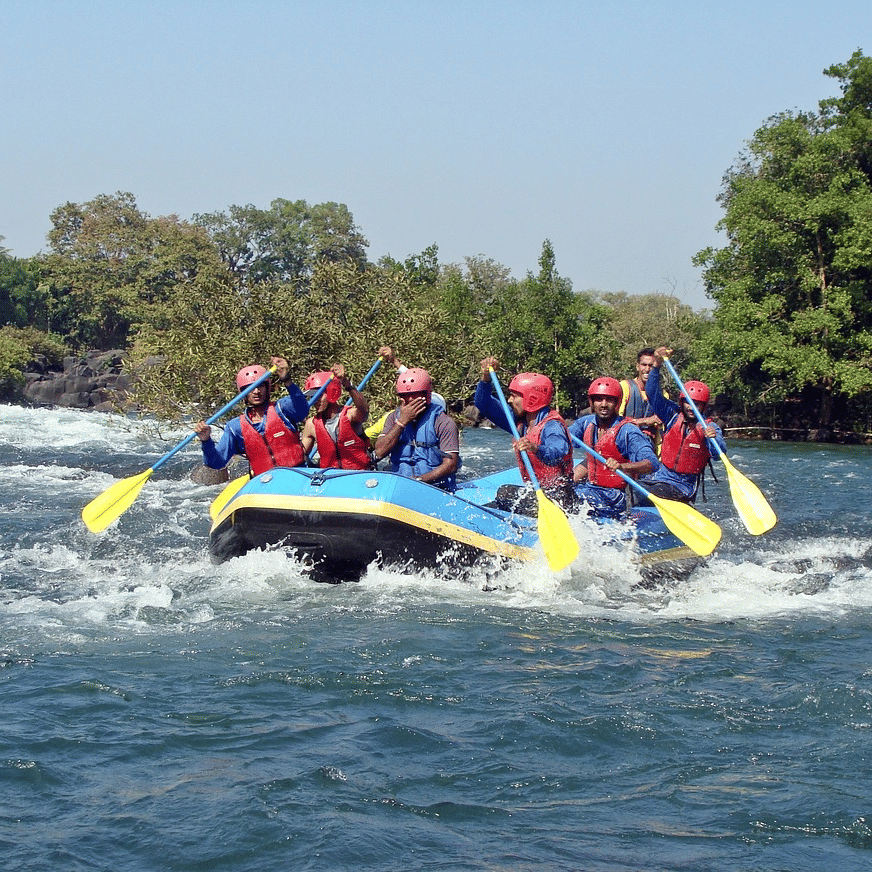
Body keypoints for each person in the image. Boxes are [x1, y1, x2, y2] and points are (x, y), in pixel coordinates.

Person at [474, 357, 575, 511]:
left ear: (531, 398)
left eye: (514, 396)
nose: (509, 400)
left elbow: (558, 452)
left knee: (505, 492)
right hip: (537, 493)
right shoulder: (520, 422)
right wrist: (486, 378)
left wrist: (535, 448)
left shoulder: (552, 426)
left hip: (559, 497)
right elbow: (484, 403)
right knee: (502, 496)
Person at [637, 346, 727, 502]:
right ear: (682, 402)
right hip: (661, 477)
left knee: (647, 492)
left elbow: (719, 455)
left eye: (697, 404)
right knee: (633, 487)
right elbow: (652, 393)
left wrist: (714, 439)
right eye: (688, 403)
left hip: (683, 486)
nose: (691, 408)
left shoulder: (709, 427)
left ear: (704, 406)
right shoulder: (671, 414)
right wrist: (657, 366)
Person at [195, 356, 309, 474]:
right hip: (265, 483)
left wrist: (287, 380)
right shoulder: (235, 427)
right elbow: (216, 463)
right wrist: (206, 440)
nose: (256, 391)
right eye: (250, 388)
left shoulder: (283, 408)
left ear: (267, 388)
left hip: (298, 475)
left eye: (260, 386)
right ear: (243, 393)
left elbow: (303, 410)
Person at [569, 376, 659, 518]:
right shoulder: (586, 423)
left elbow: (652, 464)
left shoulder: (628, 431)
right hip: (591, 489)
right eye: (599, 399)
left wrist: (622, 467)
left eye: (609, 400)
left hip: (614, 497)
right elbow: (560, 442)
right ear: (591, 402)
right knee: (558, 491)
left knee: (568, 498)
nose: (604, 404)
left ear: (617, 403)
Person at [374, 366, 461, 490]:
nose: (409, 400)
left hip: (434, 487)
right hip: (399, 484)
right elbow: (379, 452)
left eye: (414, 395)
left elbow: (451, 465)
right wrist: (401, 422)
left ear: (426, 395)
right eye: (405, 395)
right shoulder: (393, 418)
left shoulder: (444, 422)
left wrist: (419, 481)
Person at [364, 346, 447, 441]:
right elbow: (411, 377)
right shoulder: (394, 416)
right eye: (407, 395)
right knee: (369, 434)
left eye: (415, 395)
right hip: (400, 417)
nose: (411, 399)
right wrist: (393, 360)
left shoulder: (438, 409)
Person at [300, 363, 373, 469]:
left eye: (319, 395)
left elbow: (364, 410)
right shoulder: (311, 424)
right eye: (312, 396)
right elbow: (299, 455)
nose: (315, 400)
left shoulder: (350, 415)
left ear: (332, 392)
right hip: (331, 479)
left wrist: (346, 383)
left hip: (358, 475)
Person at [619, 347, 665, 448]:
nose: (647, 369)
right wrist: (645, 421)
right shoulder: (625, 387)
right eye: (644, 365)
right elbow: (616, 422)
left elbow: (661, 431)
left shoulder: (663, 395)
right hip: (625, 445)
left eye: (651, 366)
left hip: (648, 448)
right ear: (637, 367)